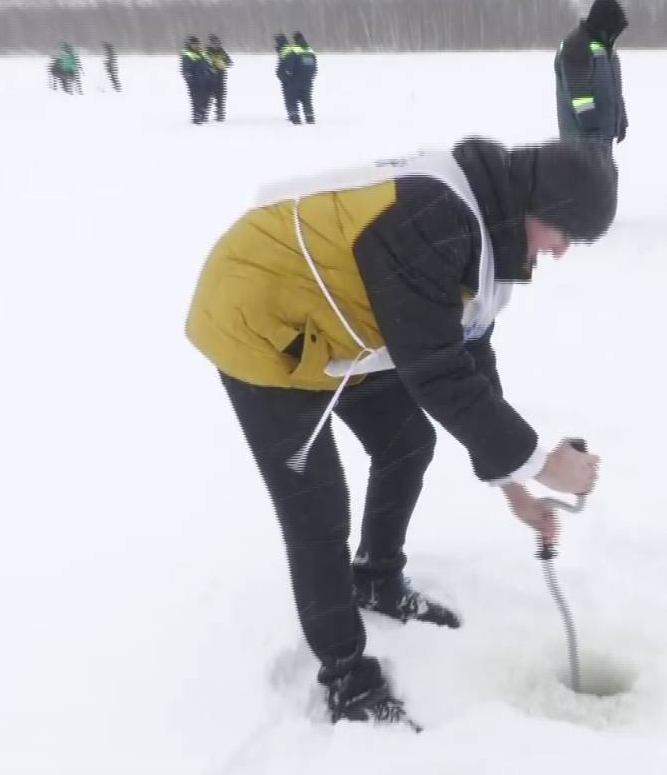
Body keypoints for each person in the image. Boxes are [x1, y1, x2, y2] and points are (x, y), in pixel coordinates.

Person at [185, 137, 617, 728]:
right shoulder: (436, 218)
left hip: (343, 319)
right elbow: (438, 374)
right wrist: (543, 463)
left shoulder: (490, 225)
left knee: (407, 443)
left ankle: (376, 576)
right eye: (565, 235)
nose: (562, 252)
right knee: (317, 506)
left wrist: (517, 485)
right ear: (538, 206)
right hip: (259, 316)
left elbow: (468, 363)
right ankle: (346, 676)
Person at [555, 0, 629, 148]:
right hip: (581, 140)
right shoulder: (576, 45)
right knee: (580, 172)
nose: (615, 34)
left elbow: (614, 89)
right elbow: (579, 95)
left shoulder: (606, 47)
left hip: (602, 137)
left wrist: (620, 120)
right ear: (604, 24)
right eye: (613, 28)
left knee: (604, 172)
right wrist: (592, 128)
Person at [279, 31, 318, 125]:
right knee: (307, 100)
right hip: (308, 82)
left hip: (294, 80)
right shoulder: (310, 51)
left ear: (295, 40)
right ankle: (310, 118)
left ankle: (295, 119)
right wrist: (309, 78)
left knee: (292, 100)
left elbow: (289, 68)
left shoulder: (294, 51)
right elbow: (315, 69)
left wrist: (286, 78)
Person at [180, 36, 211, 124]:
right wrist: (189, 77)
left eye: (198, 44)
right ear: (190, 45)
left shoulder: (202, 53)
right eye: (195, 44)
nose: (197, 45)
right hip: (194, 81)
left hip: (205, 80)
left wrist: (209, 72)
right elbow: (185, 68)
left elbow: (207, 64)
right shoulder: (187, 54)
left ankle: (202, 114)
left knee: (205, 98)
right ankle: (196, 116)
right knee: (196, 99)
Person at [205, 34, 233, 122]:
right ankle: (204, 115)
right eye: (215, 43)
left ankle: (220, 115)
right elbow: (204, 63)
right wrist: (211, 67)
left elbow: (229, 62)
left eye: (218, 43)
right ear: (211, 43)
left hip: (221, 77)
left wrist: (225, 62)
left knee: (220, 97)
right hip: (209, 78)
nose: (217, 45)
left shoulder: (222, 51)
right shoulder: (206, 52)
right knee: (208, 98)